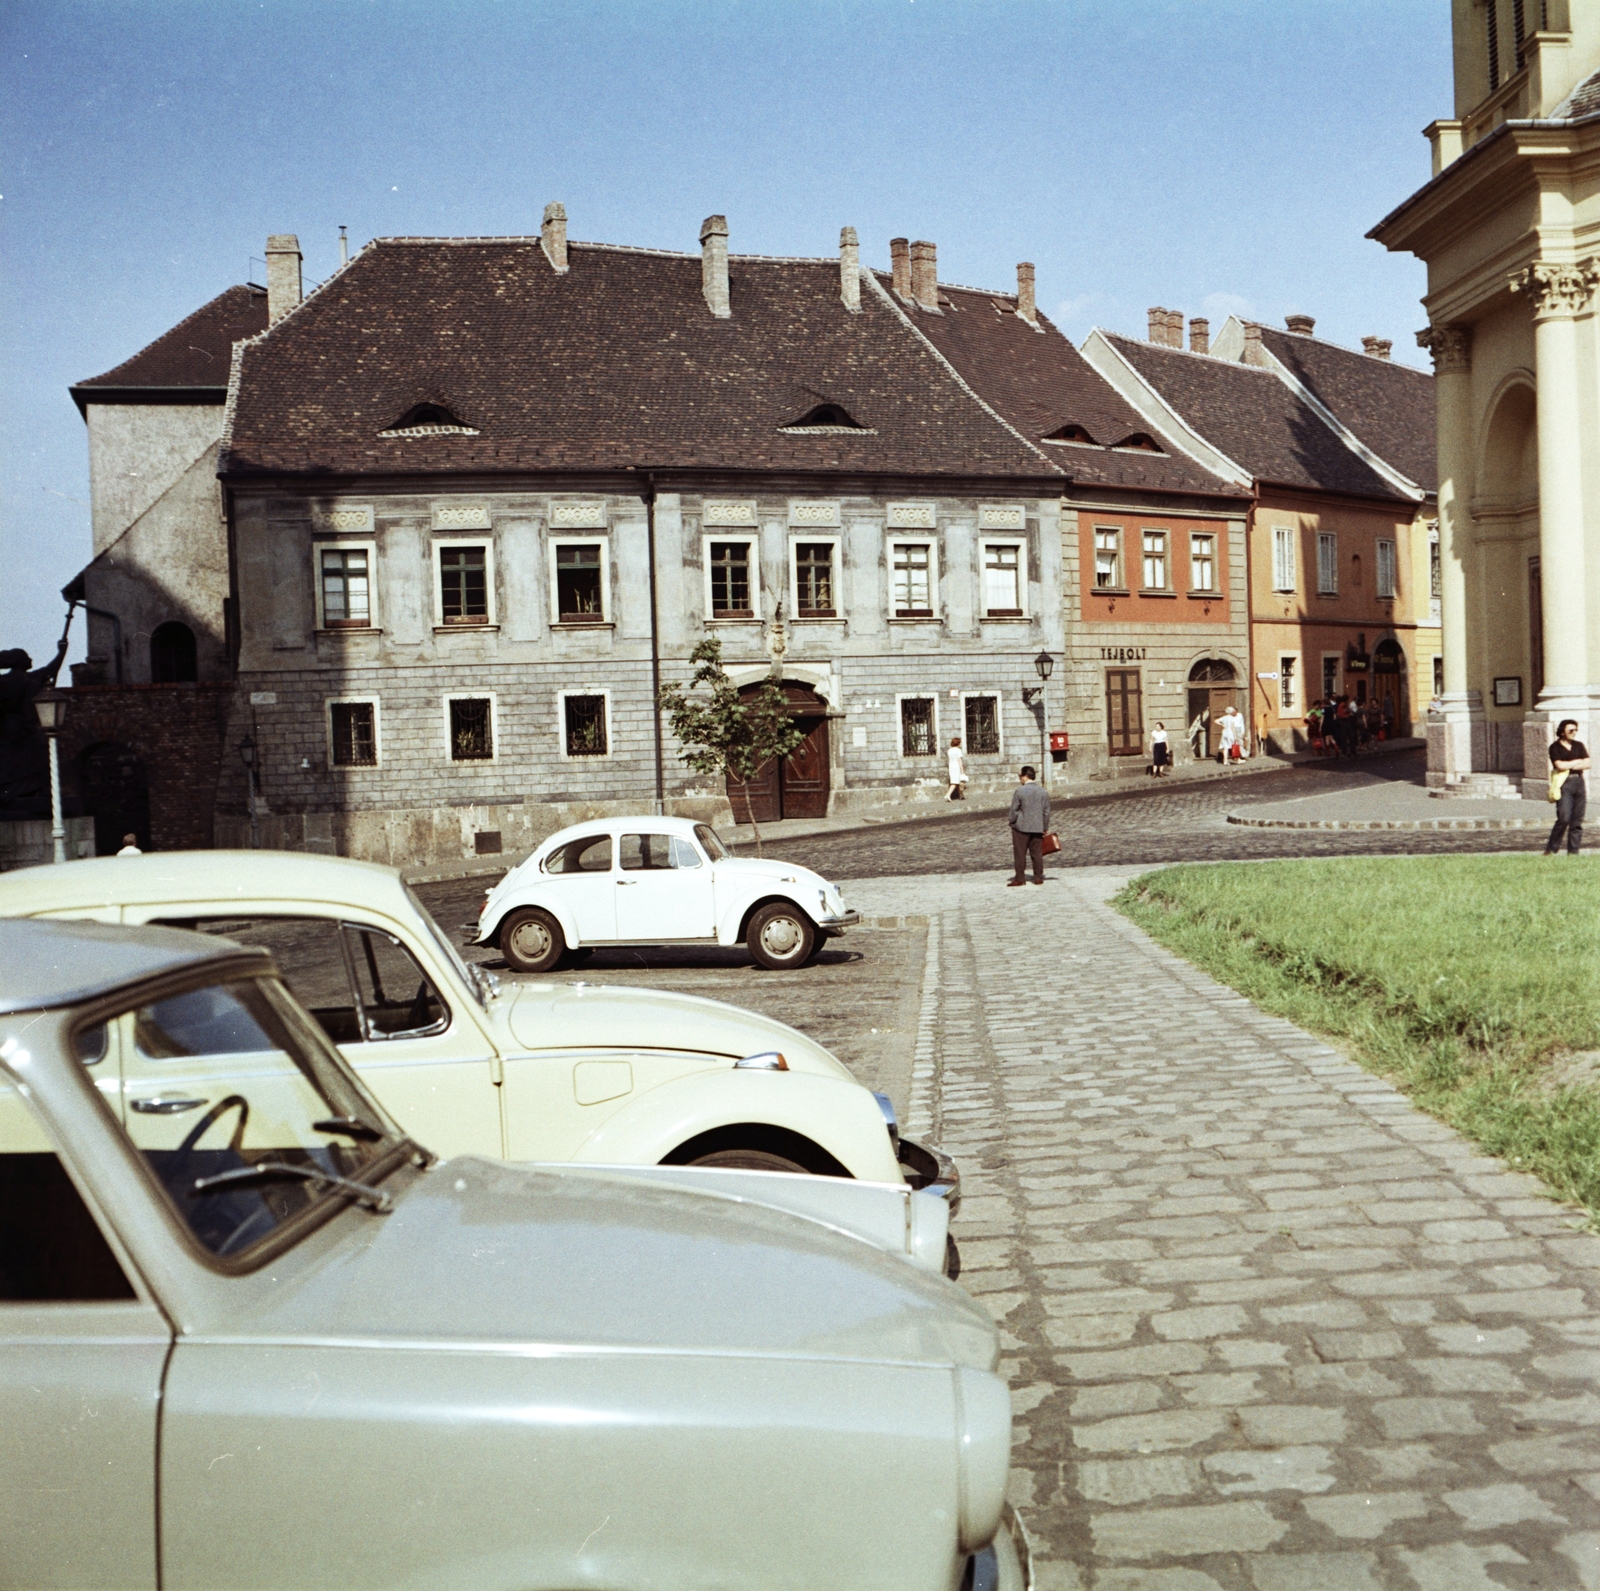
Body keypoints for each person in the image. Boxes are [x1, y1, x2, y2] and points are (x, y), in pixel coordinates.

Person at [1545, 719, 1590, 856]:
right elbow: (1560, 766)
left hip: (1579, 783)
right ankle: (1551, 850)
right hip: (1564, 784)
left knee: (1577, 821)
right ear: (1562, 732)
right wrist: (1577, 761)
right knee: (1564, 818)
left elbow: (1587, 763)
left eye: (1576, 730)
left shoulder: (1579, 745)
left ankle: (1573, 852)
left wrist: (1569, 764)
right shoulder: (1555, 747)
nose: (1574, 732)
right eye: (1571, 730)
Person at [1007, 765, 1050, 886]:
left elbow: (1014, 810)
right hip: (1037, 827)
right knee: (1037, 853)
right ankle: (1038, 877)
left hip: (1021, 827)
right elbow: (1046, 812)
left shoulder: (1019, 791)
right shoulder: (1043, 791)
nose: (1020, 778)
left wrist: (1012, 822)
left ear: (1025, 777)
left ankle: (1020, 878)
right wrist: (1045, 827)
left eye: (1020, 776)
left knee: (1020, 853)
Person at [945, 736, 968, 801]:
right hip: (956, 766)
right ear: (958, 743)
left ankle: (961, 795)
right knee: (955, 782)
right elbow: (959, 761)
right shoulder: (958, 750)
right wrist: (962, 770)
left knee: (958, 781)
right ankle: (948, 794)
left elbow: (949, 759)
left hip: (951, 766)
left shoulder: (949, 750)